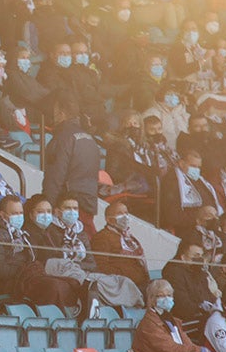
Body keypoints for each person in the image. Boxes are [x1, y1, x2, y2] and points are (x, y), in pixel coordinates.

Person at [133, 278, 217, 352]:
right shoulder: (148, 324)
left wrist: (203, 351)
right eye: (161, 296)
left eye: (169, 295)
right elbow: (169, 349)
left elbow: (186, 343)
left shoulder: (171, 320)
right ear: (152, 299)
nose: (167, 299)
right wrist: (197, 349)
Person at [42, 91, 99, 232]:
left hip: (67, 205)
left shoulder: (61, 139)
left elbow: (54, 177)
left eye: (55, 113)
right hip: (89, 202)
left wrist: (48, 206)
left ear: (62, 113)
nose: (53, 117)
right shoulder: (90, 139)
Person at [161, 237, 218, 336]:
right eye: (196, 256)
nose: (199, 259)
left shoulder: (198, 272)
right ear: (183, 257)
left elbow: (208, 295)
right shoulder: (173, 272)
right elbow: (181, 304)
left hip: (201, 318)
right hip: (185, 321)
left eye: (201, 256)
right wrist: (199, 307)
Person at [90, 201, 150, 289]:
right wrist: (127, 275)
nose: (125, 216)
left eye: (126, 213)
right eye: (119, 213)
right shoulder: (102, 237)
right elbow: (101, 267)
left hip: (141, 283)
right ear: (108, 219)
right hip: (122, 286)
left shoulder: (128, 237)